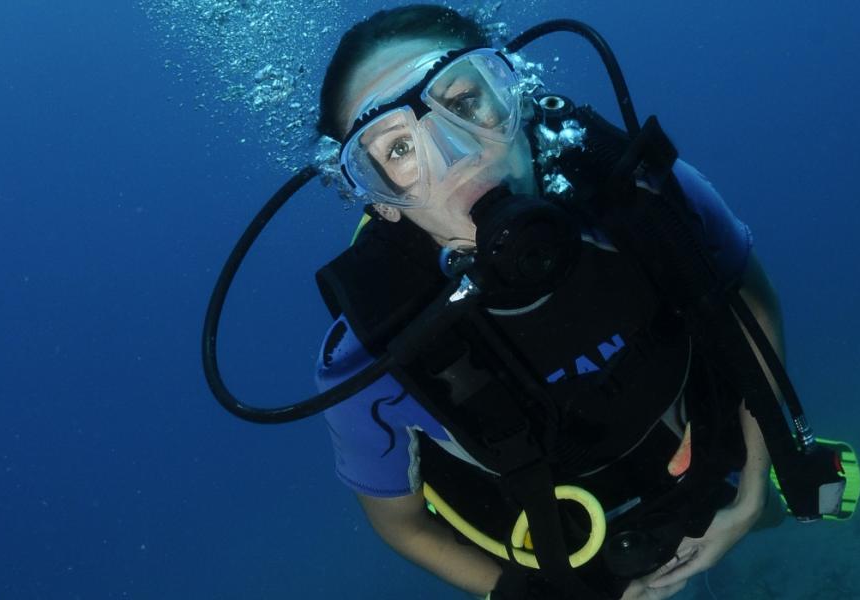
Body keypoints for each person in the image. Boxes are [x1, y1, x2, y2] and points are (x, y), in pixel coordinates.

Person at [312, 5, 793, 599]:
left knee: (765, 514)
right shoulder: (366, 355)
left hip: (708, 451)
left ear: (514, 94)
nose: (458, 156)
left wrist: (753, 491)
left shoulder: (642, 195)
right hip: (561, 544)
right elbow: (401, 521)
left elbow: (753, 306)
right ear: (378, 200)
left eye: (464, 103)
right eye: (400, 150)